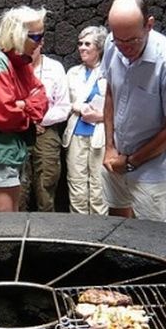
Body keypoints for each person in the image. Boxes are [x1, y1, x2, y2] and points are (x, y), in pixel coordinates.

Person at [102, 0, 166, 222]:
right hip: (116, 156)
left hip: (152, 165)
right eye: (118, 40)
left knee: (151, 237)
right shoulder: (113, 45)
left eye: (131, 41)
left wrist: (131, 162)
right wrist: (109, 146)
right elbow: (111, 92)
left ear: (148, 25)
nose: (123, 48)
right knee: (115, 225)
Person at [0, 6, 49, 213]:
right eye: (36, 36)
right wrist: (26, 109)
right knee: (5, 223)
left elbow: (42, 97)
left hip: (11, 149)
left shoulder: (19, 61)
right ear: (18, 34)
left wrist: (23, 106)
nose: (40, 42)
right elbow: (5, 115)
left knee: (12, 218)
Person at [18, 34, 70, 212]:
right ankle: (15, 232)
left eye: (34, 44)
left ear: (42, 44)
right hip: (19, 129)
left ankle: (46, 231)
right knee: (18, 185)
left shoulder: (55, 68)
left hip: (46, 129)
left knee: (46, 183)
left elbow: (64, 107)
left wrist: (39, 119)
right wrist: (29, 120)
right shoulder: (14, 67)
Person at [62, 26, 109, 215]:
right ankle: (78, 231)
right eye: (80, 43)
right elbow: (64, 101)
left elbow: (120, 106)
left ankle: (99, 232)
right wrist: (78, 107)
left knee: (99, 185)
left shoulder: (109, 72)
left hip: (101, 135)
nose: (82, 47)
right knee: (76, 184)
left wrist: (101, 116)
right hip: (76, 133)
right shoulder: (73, 73)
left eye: (87, 44)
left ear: (98, 48)